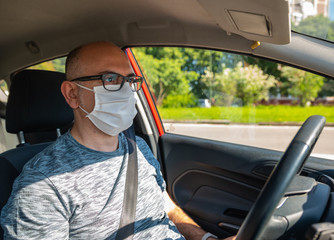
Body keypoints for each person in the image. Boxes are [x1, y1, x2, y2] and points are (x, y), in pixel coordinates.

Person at [1, 42, 235, 240]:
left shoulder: (137, 147)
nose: (126, 91)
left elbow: (164, 204)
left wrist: (205, 237)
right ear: (72, 94)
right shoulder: (42, 186)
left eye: (130, 79)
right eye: (110, 79)